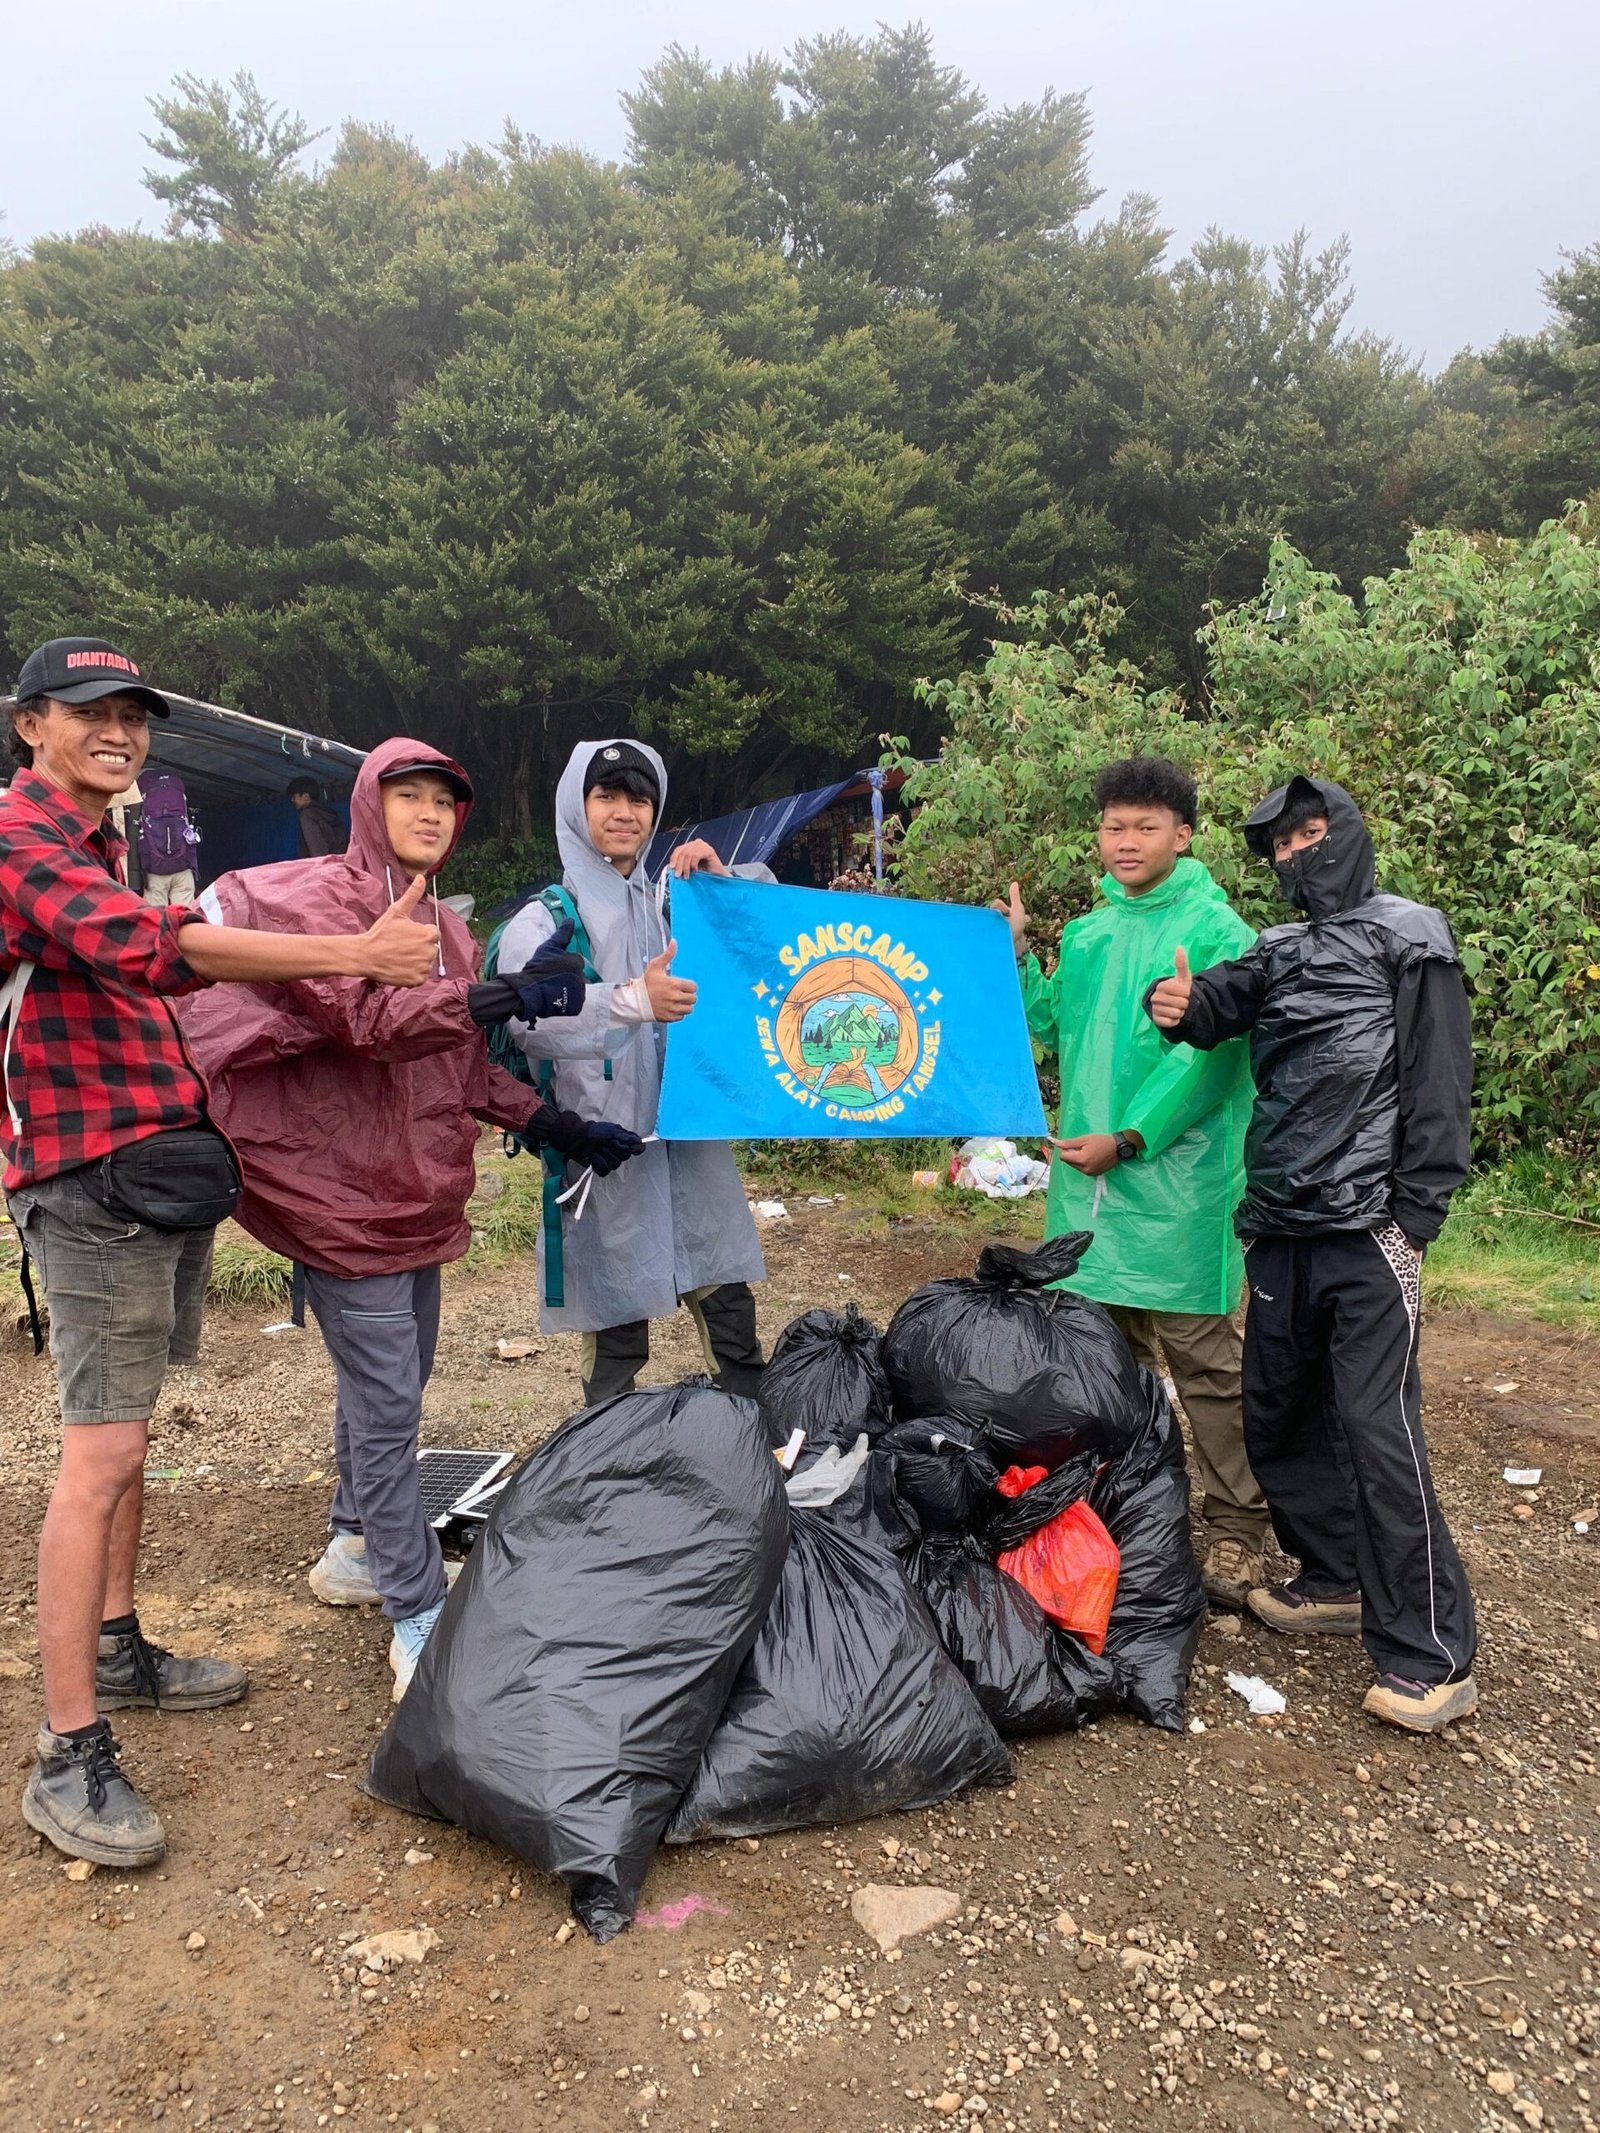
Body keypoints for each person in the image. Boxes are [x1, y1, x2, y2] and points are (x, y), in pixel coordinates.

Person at [1, 636, 440, 1871]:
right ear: (30, 725)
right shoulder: (19, 837)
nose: (119, 732)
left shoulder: (100, 840)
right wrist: (352, 953)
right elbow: (155, 951)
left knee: (131, 1435)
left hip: (158, 1171)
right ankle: (66, 1746)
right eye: (90, 713)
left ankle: (123, 1645)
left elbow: (173, 976)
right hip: (85, 1180)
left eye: (134, 715)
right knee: (97, 1454)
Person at [181, 739, 642, 1698]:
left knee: (391, 1387)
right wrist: (500, 995)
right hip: (337, 1194)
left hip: (417, 1193)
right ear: (368, 804)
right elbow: (368, 1021)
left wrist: (558, 1122)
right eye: (410, 797)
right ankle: (416, 1610)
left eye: (444, 802)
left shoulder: (450, 928)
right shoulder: (320, 903)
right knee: (391, 1407)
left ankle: (355, 1544)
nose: (429, 814)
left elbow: (461, 1066)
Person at [1147, 774, 1477, 1734]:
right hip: (1283, 1226)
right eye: (1279, 845)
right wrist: (1176, 1001)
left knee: (1378, 1427)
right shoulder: (1279, 948)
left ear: (1347, 830)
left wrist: (1417, 1211)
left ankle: (1432, 1654)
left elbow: (1441, 1079)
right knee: (1278, 1411)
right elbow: (1215, 1005)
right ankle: (1333, 1576)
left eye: (1310, 832)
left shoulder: (1411, 935)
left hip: (1371, 1229)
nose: (1296, 852)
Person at [1001, 757, 1266, 1607]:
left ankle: (1236, 1526)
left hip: (1175, 1190)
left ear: (1182, 835)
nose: (1125, 840)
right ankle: (1115, 1505)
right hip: (1087, 1185)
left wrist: (1129, 1136)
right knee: (1096, 1359)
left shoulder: (1217, 930)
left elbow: (1216, 1065)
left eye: (1145, 826)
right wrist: (1015, 958)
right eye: (1114, 825)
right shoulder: (1087, 933)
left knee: (1205, 1365)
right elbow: (1049, 1026)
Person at [496, 739, 768, 1403]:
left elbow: (768, 934)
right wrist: (629, 1002)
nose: (625, 811)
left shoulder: (674, 900)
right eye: (607, 795)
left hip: (689, 1138)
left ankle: (753, 1451)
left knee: (726, 1299)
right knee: (616, 1325)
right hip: (604, 1147)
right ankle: (608, 1467)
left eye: (639, 798)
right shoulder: (549, 918)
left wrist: (722, 879)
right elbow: (524, 1018)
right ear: (577, 806)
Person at [287, 775, 348, 858]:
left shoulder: (307, 815)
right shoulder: (329, 814)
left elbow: (317, 850)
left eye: (294, 797)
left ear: (306, 797)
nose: (292, 800)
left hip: (323, 866)